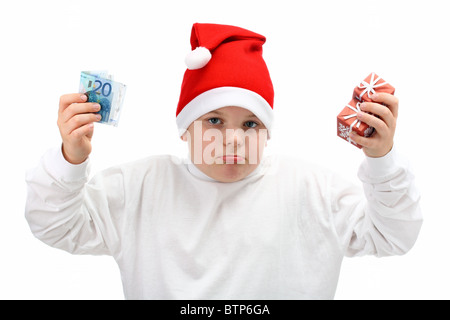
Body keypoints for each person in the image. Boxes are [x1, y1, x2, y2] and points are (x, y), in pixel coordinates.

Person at [25, 22, 423, 300]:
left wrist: (381, 160)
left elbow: (393, 236)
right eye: (214, 120)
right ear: (184, 128)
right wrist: (70, 160)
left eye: (250, 123)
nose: (233, 138)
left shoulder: (312, 190)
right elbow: (55, 226)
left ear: (268, 131)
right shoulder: (141, 187)